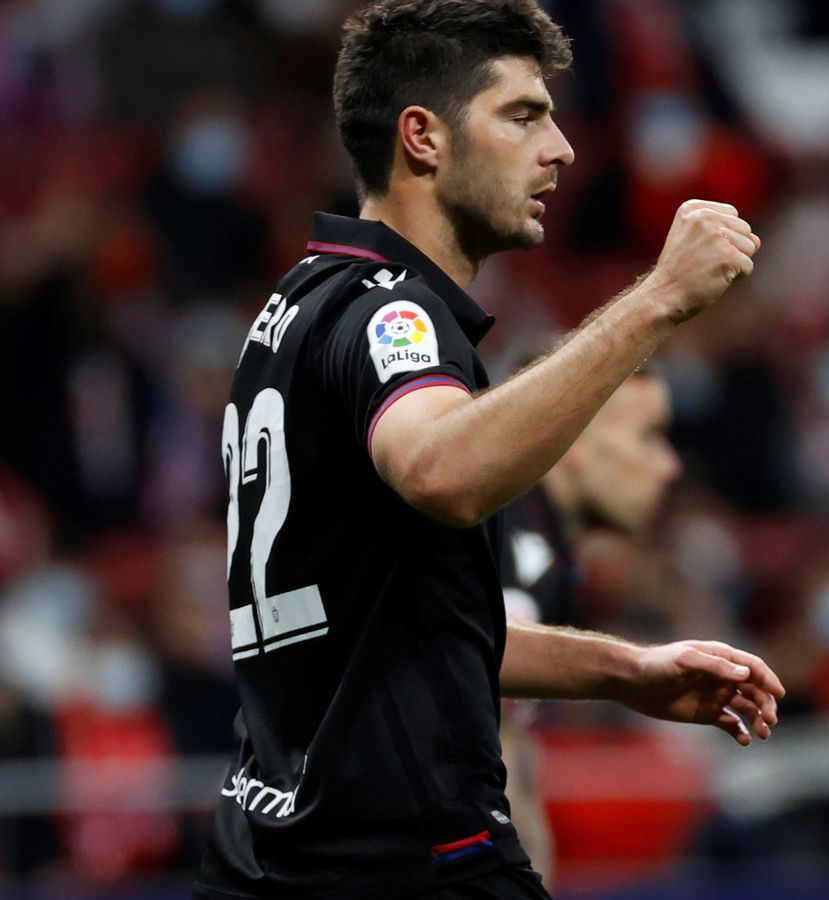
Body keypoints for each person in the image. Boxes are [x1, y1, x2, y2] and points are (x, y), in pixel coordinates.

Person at [195, 2, 782, 898]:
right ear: (422, 138)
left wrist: (626, 671)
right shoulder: (394, 312)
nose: (562, 149)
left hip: (270, 853)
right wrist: (658, 297)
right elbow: (442, 472)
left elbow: (405, 630)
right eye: (521, 115)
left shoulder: (302, 304)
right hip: (404, 857)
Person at [496, 369, 683, 883]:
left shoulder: (539, 546)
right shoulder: (509, 541)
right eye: (648, 435)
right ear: (570, 436)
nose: (669, 466)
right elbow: (490, 755)